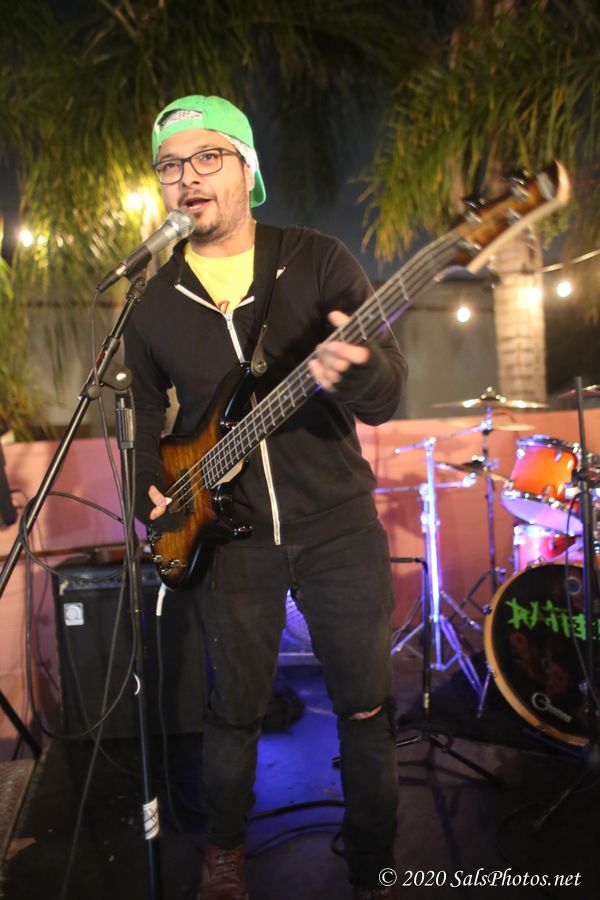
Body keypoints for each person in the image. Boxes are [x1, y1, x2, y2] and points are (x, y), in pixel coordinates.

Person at [124, 94, 408, 900]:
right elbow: (141, 415)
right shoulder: (152, 300)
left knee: (364, 706)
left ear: (248, 168)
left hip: (338, 525)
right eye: (170, 166)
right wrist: (152, 492)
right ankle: (224, 856)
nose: (187, 177)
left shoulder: (314, 259)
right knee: (233, 712)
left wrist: (359, 372)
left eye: (207, 156)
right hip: (229, 535)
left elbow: (389, 391)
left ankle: (375, 862)